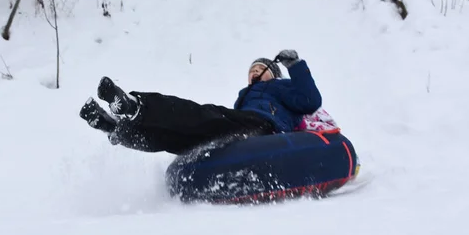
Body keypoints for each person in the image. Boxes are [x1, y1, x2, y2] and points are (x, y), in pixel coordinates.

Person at [80, 49, 338, 155]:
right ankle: (117, 128)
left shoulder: (282, 89)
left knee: (200, 114)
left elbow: (310, 100)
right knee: (176, 137)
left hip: (264, 127)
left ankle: (136, 107)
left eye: (261, 70)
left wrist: (295, 65)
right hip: (239, 128)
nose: (255, 73)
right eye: (252, 71)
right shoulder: (244, 97)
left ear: (275, 75)